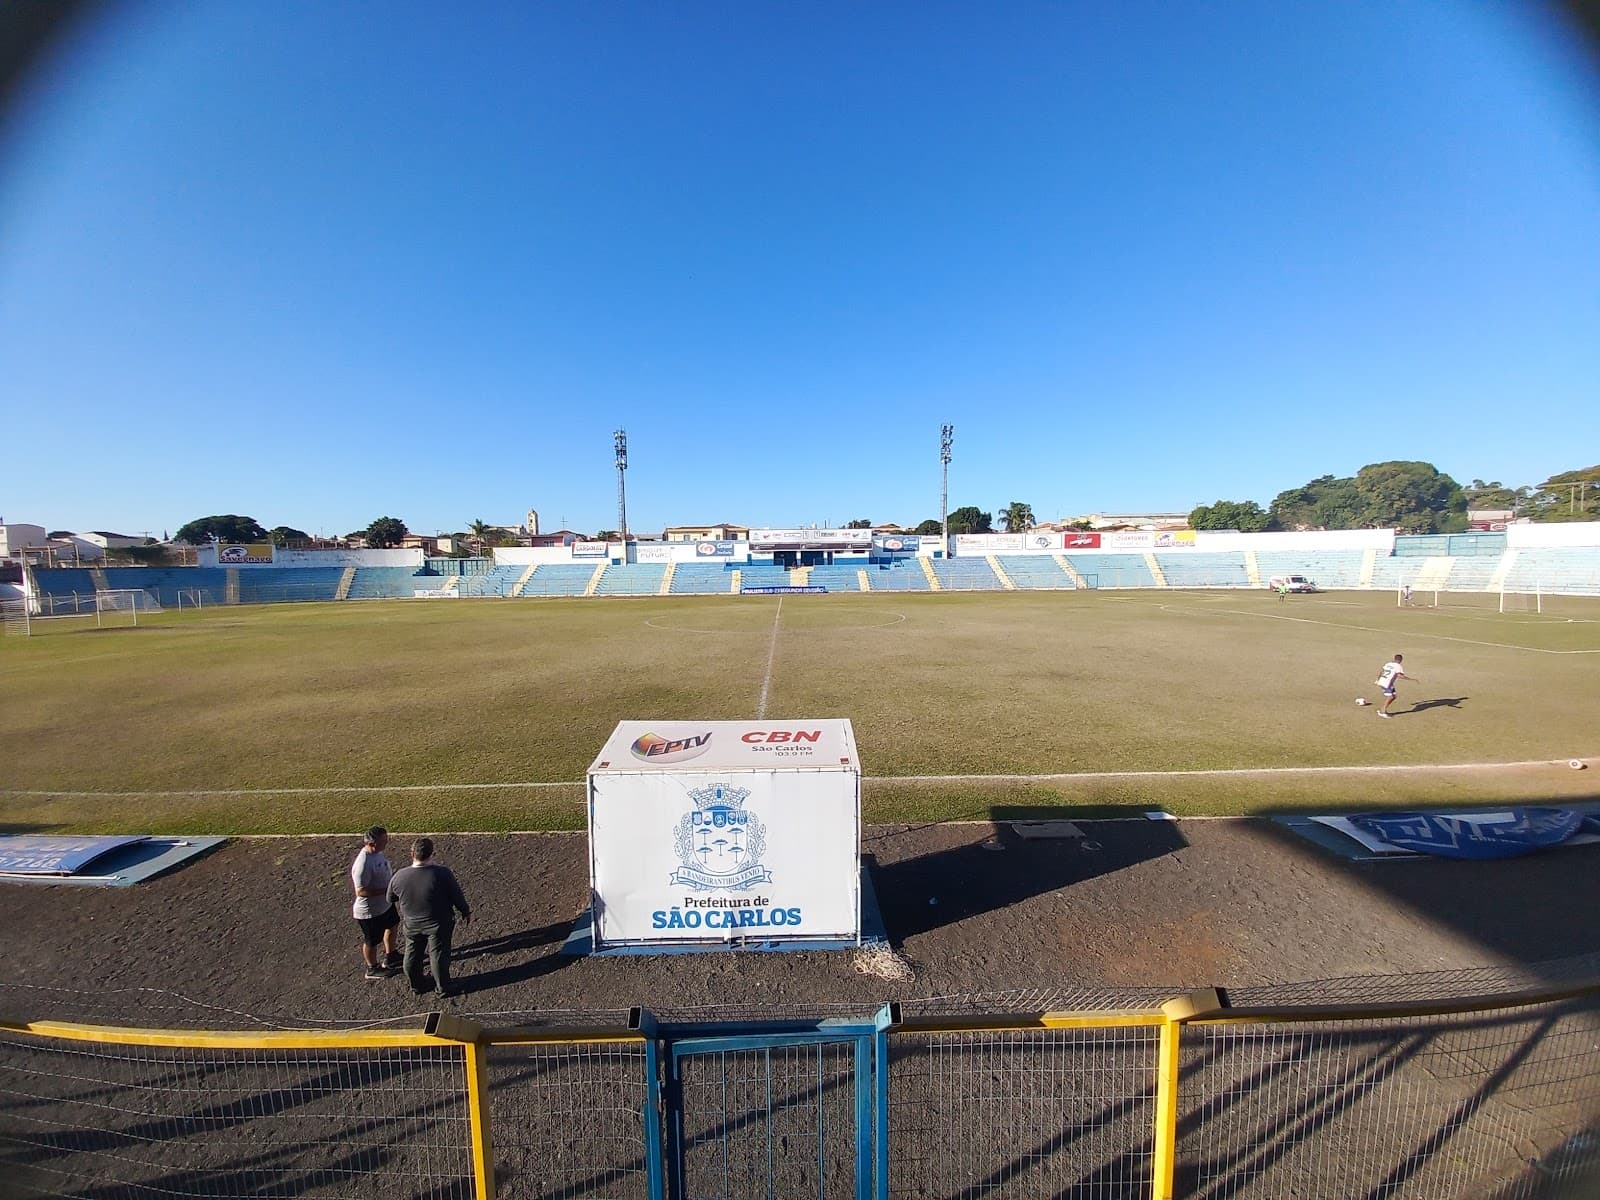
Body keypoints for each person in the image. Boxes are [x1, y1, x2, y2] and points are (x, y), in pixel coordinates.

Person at [387, 836, 472, 998]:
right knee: (438, 954)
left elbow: (390, 898)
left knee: (412, 953)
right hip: (437, 923)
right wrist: (465, 911)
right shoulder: (441, 873)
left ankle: (416, 985)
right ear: (431, 853)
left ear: (412, 853)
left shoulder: (400, 875)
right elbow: (456, 896)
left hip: (411, 923)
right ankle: (443, 987)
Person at [350, 826, 401, 981]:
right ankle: (372, 968)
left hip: (384, 904)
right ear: (372, 844)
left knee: (392, 925)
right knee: (372, 940)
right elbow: (361, 891)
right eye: (383, 840)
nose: (386, 842)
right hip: (369, 911)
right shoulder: (362, 864)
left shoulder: (377, 853)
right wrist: (386, 890)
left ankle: (391, 955)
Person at [1374, 653, 1415, 718]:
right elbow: (1399, 675)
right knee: (1391, 697)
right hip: (1387, 683)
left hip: (1383, 681)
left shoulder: (1388, 664)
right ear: (1401, 660)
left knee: (1394, 696)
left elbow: (1381, 671)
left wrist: (1377, 679)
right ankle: (1382, 711)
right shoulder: (1398, 666)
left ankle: (1382, 710)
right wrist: (1411, 679)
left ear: (1394, 658)